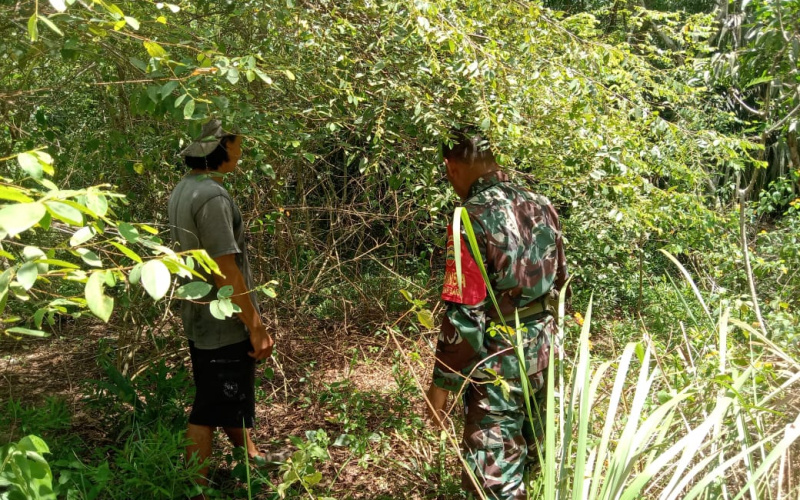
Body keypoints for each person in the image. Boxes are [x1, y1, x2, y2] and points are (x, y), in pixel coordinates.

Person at [425, 129, 569, 500]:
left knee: (494, 481)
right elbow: (561, 282)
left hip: (499, 362)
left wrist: (442, 384)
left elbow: (465, 317)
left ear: (451, 166)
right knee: (531, 462)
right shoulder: (541, 204)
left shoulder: (469, 218)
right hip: (545, 350)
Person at [168, 120, 276, 497]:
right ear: (221, 147)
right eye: (237, 143)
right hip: (221, 319)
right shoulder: (212, 197)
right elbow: (224, 267)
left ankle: (250, 457)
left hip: (200, 316)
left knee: (226, 394)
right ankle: (196, 490)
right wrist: (255, 324)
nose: (241, 151)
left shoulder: (185, 189)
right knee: (208, 408)